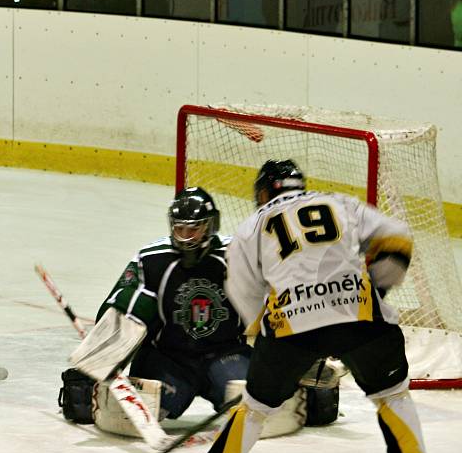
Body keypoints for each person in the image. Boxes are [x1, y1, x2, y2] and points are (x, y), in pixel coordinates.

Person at [192, 159, 456, 453]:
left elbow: (243, 289)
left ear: (265, 192)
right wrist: (374, 287)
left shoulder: (251, 226)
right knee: (391, 395)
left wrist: (266, 332)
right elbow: (397, 236)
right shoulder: (339, 202)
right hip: (360, 319)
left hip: (290, 327)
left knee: (255, 408)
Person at [60, 187, 339, 438]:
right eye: (180, 229)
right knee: (121, 420)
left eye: (194, 229)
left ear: (210, 226)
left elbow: (280, 302)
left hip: (225, 355)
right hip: (168, 358)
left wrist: (306, 353)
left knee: (268, 417)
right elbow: (123, 312)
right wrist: (96, 365)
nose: (186, 236)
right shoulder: (153, 260)